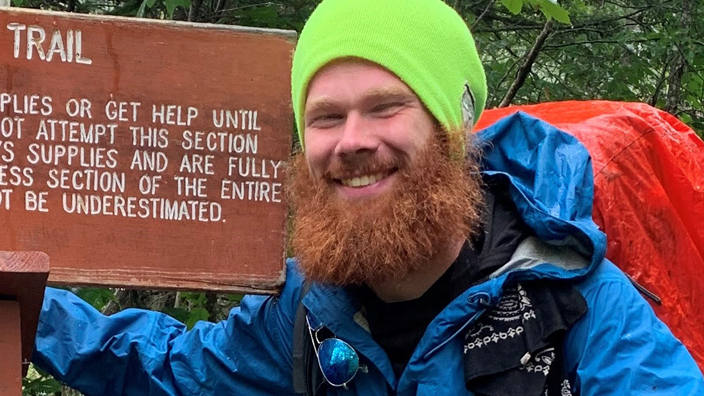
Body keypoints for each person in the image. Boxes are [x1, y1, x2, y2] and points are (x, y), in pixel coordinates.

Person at [32, 0, 704, 395]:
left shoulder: (573, 303)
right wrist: (24, 303)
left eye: (385, 108)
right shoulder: (306, 310)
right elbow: (169, 368)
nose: (351, 141)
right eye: (325, 117)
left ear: (452, 130)